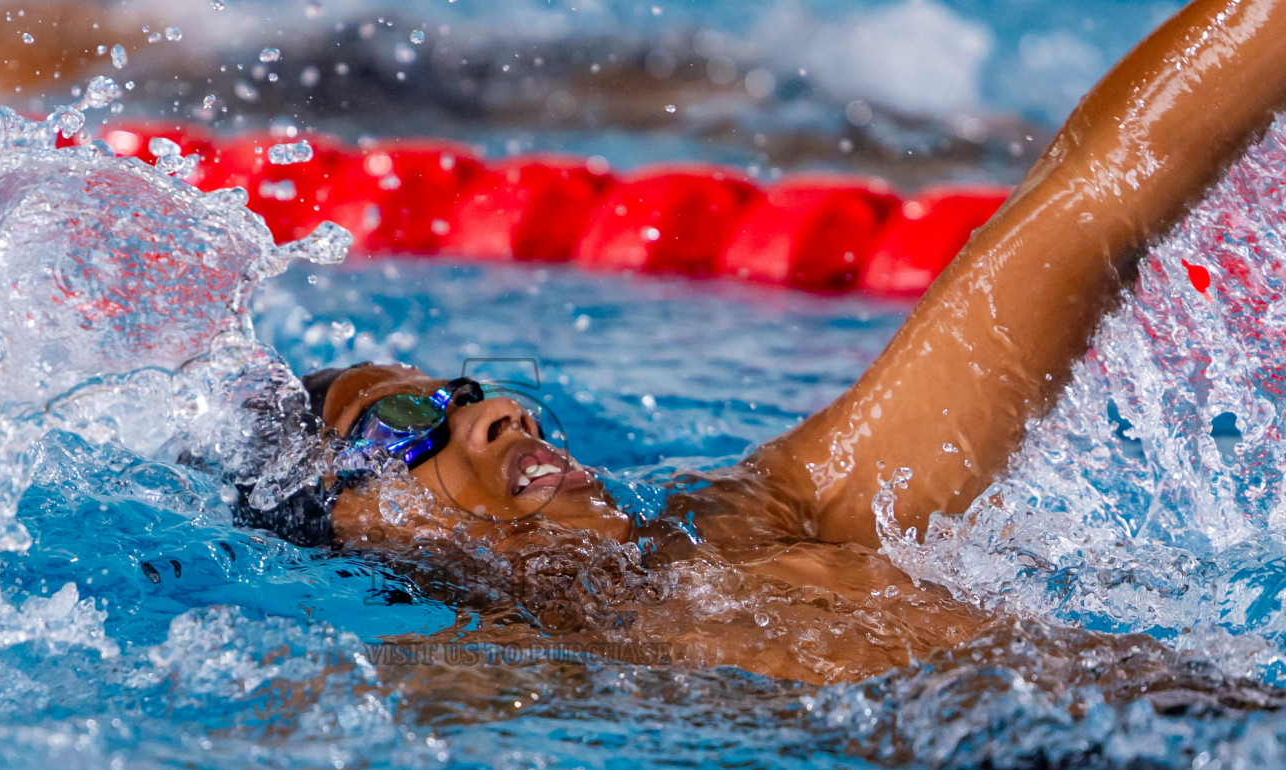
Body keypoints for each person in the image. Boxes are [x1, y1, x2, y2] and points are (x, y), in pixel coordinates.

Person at [237, 0, 1286, 685]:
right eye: (415, 419)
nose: (494, 408)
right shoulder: (503, 672)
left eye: (464, 389)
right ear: (368, 524)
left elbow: (1089, 209)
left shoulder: (775, 513)